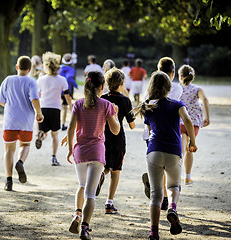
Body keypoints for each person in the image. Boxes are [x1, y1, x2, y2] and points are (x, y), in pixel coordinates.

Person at [131, 71, 197, 240]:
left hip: (154, 151)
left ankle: (154, 232)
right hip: (173, 151)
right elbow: (188, 121)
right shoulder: (177, 104)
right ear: (169, 87)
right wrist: (192, 142)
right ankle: (173, 208)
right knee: (174, 185)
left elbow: (150, 130)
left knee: (155, 195)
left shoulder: (148, 107)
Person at [62, 71, 120, 240]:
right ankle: (85, 228)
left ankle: (77, 215)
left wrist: (70, 149)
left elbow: (71, 127)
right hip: (97, 152)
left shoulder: (78, 104)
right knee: (90, 193)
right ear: (102, 87)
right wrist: (114, 113)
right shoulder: (106, 104)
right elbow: (115, 131)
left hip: (80, 151)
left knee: (81, 185)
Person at [142, 57, 183, 210]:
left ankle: (163, 196)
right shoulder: (177, 88)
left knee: (157, 163)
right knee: (169, 165)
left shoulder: (150, 90)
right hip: (169, 132)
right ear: (173, 73)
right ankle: (168, 196)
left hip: (151, 133)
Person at [0, 56, 44, 191]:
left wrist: (10, 105)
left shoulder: (8, 80)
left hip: (10, 120)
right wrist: (39, 113)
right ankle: (20, 162)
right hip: (26, 121)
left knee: (9, 150)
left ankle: (8, 180)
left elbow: (0, 100)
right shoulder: (31, 81)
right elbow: (34, 98)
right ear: (29, 69)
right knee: (25, 145)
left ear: (16, 67)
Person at [95, 68, 136, 214]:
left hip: (102, 138)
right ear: (121, 84)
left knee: (104, 166)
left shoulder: (102, 99)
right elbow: (132, 125)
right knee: (116, 171)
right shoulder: (125, 101)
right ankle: (109, 203)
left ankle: (100, 175)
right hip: (118, 139)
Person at [36, 51, 72, 166]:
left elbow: (36, 95)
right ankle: (53, 157)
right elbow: (67, 96)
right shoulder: (62, 80)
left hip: (43, 107)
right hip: (55, 109)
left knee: (44, 130)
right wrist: (71, 107)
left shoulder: (41, 79)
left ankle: (40, 136)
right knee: (55, 134)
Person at [178, 64, 210, 185]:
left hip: (180, 121)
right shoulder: (197, 89)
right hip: (194, 123)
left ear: (180, 76)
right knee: (189, 149)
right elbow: (205, 99)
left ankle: (177, 176)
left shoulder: (177, 88)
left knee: (181, 149)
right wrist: (207, 117)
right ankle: (187, 177)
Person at [60, 53, 77, 131]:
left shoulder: (59, 68)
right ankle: (63, 124)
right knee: (64, 107)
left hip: (58, 89)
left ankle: (57, 122)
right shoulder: (71, 70)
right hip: (66, 90)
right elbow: (69, 78)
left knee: (58, 106)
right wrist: (75, 85)